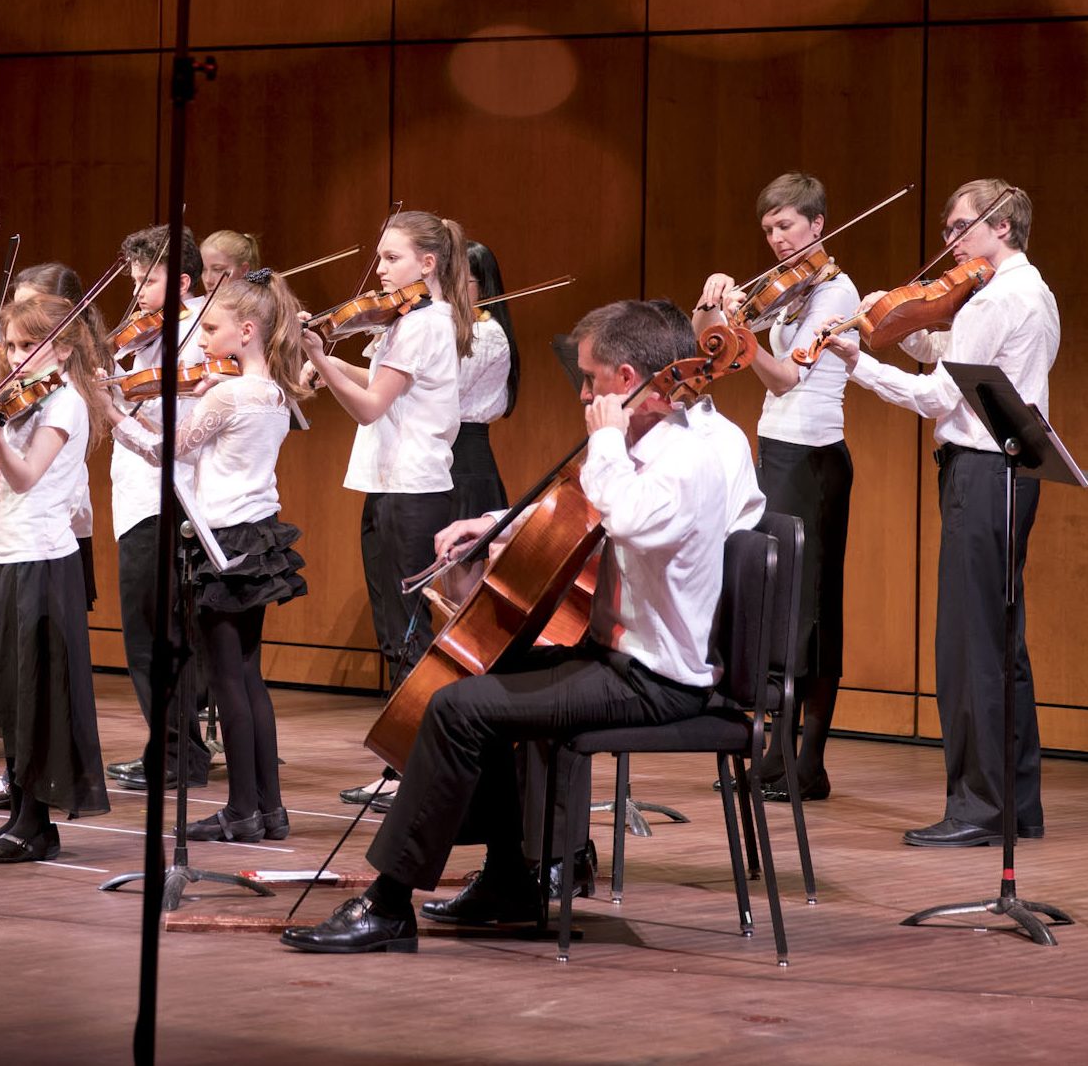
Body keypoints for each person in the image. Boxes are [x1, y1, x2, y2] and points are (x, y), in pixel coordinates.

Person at [282, 300, 743, 953]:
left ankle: (387, 906)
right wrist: (498, 524)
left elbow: (628, 518)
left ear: (626, 378)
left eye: (590, 380)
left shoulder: (686, 458)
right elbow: (577, 507)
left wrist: (608, 436)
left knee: (457, 710)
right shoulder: (644, 446)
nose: (583, 394)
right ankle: (508, 879)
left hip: (654, 678)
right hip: (617, 657)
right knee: (476, 678)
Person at [820, 179, 1058, 847]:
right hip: (1013, 472)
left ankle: (977, 808)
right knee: (1001, 642)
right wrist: (901, 329)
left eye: (960, 227)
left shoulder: (994, 300)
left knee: (968, 645)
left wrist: (856, 360)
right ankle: (1018, 803)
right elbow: (958, 363)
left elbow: (936, 400)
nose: (949, 243)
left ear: (1001, 227)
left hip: (980, 474)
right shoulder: (1030, 292)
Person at [693, 171, 861, 803]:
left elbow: (787, 379)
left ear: (818, 225)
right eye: (767, 229)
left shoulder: (837, 292)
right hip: (780, 454)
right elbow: (708, 345)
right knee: (782, 604)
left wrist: (745, 345)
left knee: (811, 611)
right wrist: (715, 306)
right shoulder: (788, 293)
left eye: (786, 225)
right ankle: (778, 747)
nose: (776, 239)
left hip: (815, 461)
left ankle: (804, 756)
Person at [303, 209, 477, 808]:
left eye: (392, 258)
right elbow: (381, 380)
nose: (379, 270)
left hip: (414, 490)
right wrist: (329, 366)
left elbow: (372, 406)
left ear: (428, 263)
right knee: (392, 631)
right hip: (390, 485)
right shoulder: (408, 322)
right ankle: (403, 766)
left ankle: (414, 770)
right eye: (381, 258)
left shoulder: (426, 323)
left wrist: (321, 358)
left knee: (408, 635)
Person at [0, 295, 115, 862]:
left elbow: (27, 477)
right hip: (4, 557)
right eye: (9, 346)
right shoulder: (8, 400)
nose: (14, 357)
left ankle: (35, 825)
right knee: (11, 694)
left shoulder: (65, 405)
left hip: (42, 559)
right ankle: (19, 815)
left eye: (26, 346)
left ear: (62, 347)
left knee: (35, 697)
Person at [155, 268, 312, 841]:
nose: (201, 336)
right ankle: (269, 808)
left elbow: (162, 451)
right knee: (249, 677)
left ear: (246, 331)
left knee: (226, 682)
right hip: (258, 536)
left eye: (212, 326)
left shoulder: (226, 393)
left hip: (221, 539)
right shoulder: (275, 393)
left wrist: (112, 406)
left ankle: (242, 809)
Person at [107, 225, 212, 794]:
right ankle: (170, 746)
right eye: (134, 275)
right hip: (137, 493)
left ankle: (178, 753)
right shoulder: (144, 333)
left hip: (165, 496)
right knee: (147, 633)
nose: (137, 287)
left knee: (156, 635)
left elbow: (174, 416)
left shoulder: (193, 333)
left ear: (185, 282)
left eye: (150, 277)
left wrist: (114, 395)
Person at [450, 240, 522, 519]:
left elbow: (444, 391)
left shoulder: (486, 334)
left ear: (482, 287)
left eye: (457, 280)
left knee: (457, 559)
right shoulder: (454, 330)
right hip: (444, 458)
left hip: (466, 463)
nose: (447, 290)